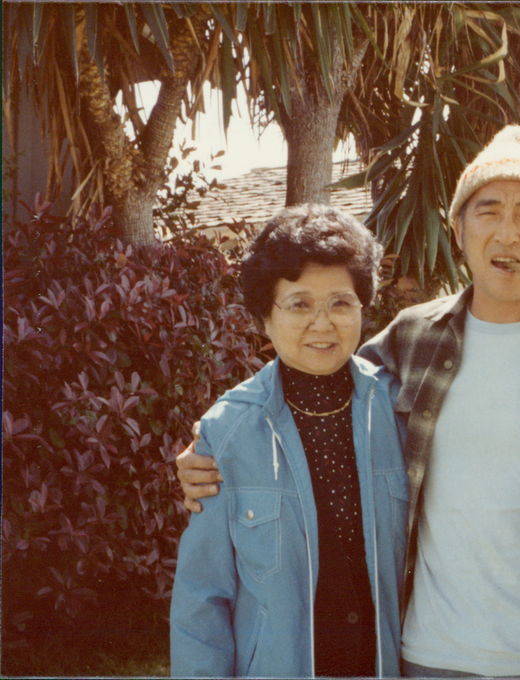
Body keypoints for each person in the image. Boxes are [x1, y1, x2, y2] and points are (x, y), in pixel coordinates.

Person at [178, 126, 520, 677]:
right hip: (429, 661)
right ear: (459, 230)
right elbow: (313, 375)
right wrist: (212, 440)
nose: (507, 233)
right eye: (488, 211)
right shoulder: (413, 341)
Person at [169, 204, 407, 678]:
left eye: (341, 302)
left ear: (363, 308)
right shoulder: (228, 432)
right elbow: (202, 600)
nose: (323, 323)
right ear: (264, 317)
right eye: (299, 304)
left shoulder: (400, 411)